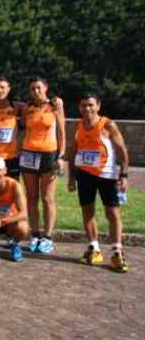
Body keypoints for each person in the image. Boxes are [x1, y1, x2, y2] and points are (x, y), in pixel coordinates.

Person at [67, 94, 130, 272]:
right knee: (87, 211)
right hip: (84, 174)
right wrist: (72, 177)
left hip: (107, 175)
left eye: (90, 105)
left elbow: (122, 149)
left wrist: (124, 175)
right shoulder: (78, 126)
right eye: (83, 106)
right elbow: (73, 152)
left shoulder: (107, 125)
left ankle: (117, 252)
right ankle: (94, 248)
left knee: (112, 212)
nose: (87, 109)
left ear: (98, 106)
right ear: (79, 108)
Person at [20, 76, 65, 254]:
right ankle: (35, 233)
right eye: (32, 89)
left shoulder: (54, 106)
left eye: (38, 88)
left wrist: (61, 156)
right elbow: (23, 127)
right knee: (31, 197)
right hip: (29, 154)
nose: (35, 91)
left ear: (46, 87)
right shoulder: (28, 108)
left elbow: (61, 132)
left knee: (47, 198)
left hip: (49, 154)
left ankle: (47, 236)